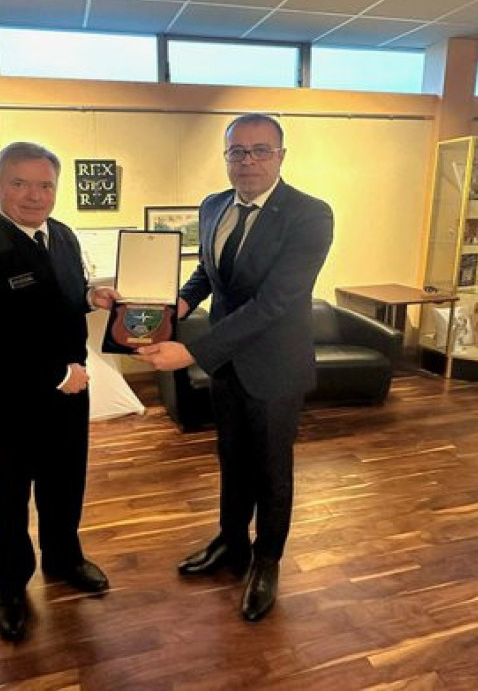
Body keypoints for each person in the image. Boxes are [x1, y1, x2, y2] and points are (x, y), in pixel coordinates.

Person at [135, 114, 333, 622]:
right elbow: (208, 270)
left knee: (271, 471)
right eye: (237, 151)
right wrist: (175, 309)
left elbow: (274, 303)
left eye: (260, 150)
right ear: (225, 157)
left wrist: (193, 352)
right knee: (232, 460)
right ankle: (231, 542)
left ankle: (266, 562)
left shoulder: (310, 215)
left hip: (275, 368)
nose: (248, 161)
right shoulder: (213, 205)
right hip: (229, 366)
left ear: (281, 156)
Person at [0, 141, 120, 642]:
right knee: (11, 490)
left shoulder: (61, 235)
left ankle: (64, 558)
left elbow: (58, 299)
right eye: (19, 183)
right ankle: (11, 586)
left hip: (69, 388)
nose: (34, 195)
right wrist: (54, 374)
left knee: (65, 479)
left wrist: (90, 297)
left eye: (45, 185)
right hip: (8, 398)